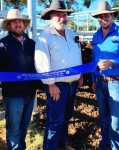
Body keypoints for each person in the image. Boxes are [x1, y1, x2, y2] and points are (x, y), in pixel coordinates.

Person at [34, 0, 82, 150]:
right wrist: (51, 84)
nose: (62, 18)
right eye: (58, 15)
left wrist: (80, 75)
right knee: (55, 121)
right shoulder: (44, 37)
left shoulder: (71, 33)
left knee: (66, 118)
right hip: (57, 86)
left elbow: (77, 55)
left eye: (64, 15)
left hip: (72, 85)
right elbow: (41, 62)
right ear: (51, 17)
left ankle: (62, 145)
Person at [91, 1, 119, 150]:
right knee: (103, 118)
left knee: (116, 121)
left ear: (112, 16)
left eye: (106, 15)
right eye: (100, 16)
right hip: (100, 82)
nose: (103, 18)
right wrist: (93, 79)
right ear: (98, 18)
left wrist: (112, 62)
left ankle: (117, 148)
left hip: (116, 82)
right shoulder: (96, 35)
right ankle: (105, 146)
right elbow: (94, 60)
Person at [0, 9, 38, 150]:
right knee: (14, 128)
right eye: (14, 22)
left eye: (20, 21)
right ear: (9, 26)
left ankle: (21, 147)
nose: (18, 24)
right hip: (13, 94)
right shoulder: (2, 45)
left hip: (30, 92)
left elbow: (38, 67)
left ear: (24, 24)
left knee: (24, 126)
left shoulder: (32, 44)